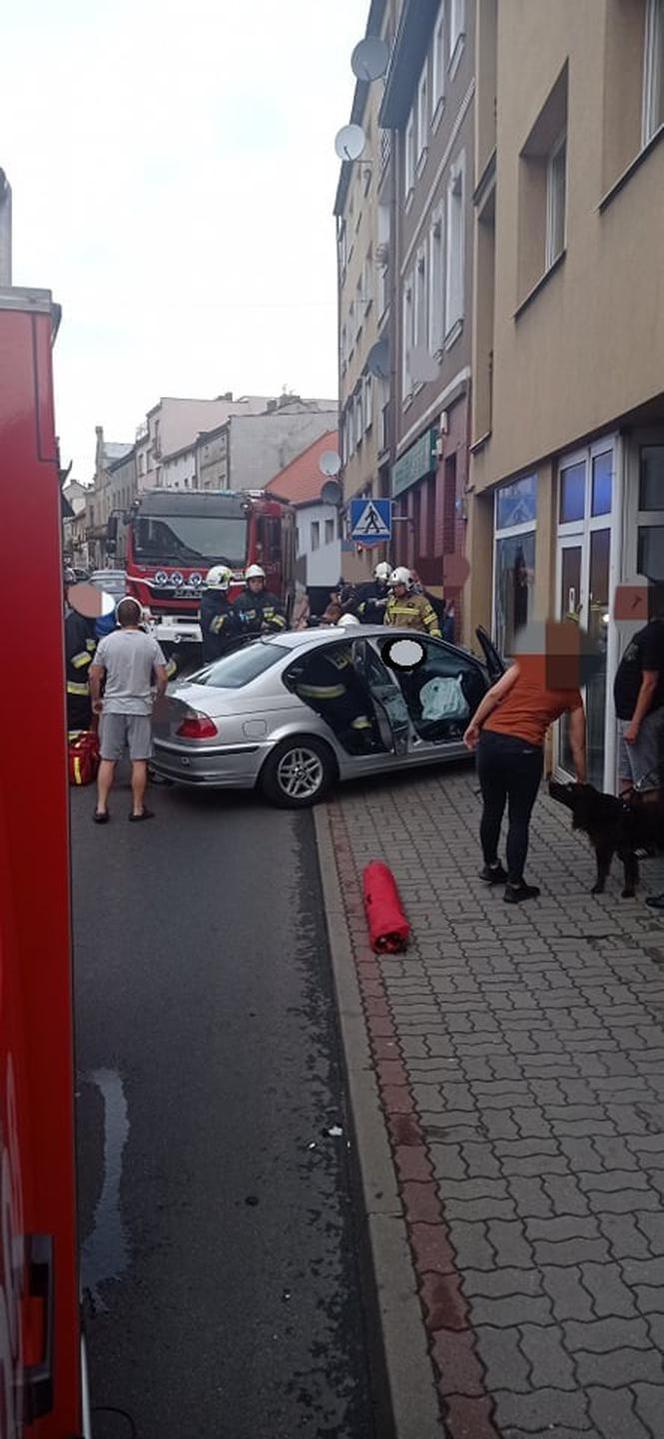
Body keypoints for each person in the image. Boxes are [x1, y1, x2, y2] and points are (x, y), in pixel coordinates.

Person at [463, 649, 587, 904]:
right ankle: (515, 885)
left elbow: (495, 693)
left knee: (492, 808)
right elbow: (578, 744)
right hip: (524, 750)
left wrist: (474, 724)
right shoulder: (571, 692)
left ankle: (491, 866)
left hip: (491, 742)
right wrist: (582, 779)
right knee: (519, 818)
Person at [89, 597, 168, 824]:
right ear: (140, 617)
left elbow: (94, 675)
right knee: (139, 760)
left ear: (117, 619)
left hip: (113, 706)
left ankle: (102, 807)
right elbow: (162, 677)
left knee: (108, 758)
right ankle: (137, 809)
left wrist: (97, 699)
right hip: (140, 708)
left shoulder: (106, 643)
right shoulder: (150, 643)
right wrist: (157, 697)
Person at [613, 597, 664, 797]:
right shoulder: (648, 633)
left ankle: (650, 825)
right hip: (627, 716)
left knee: (646, 782)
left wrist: (636, 723)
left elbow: (650, 683)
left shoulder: (656, 636)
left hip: (642, 720)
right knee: (626, 776)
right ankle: (625, 819)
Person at [64, 608, 98, 735]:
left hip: (84, 689)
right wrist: (94, 664)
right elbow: (75, 657)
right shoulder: (74, 623)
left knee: (83, 727)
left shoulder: (86, 622)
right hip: (75, 690)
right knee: (75, 730)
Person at [384, 568, 442, 637]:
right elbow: (386, 623)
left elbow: (432, 622)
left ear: (407, 584)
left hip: (415, 643)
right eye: (394, 587)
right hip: (395, 642)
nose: (396, 589)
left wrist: (434, 637)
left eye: (399, 586)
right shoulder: (392, 602)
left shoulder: (420, 602)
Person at [200, 565, 239, 663]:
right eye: (228, 582)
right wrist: (236, 619)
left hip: (224, 653)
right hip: (215, 656)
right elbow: (214, 626)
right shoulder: (209, 603)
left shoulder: (220, 601)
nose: (230, 586)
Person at [233, 564, 286, 637]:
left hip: (270, 637)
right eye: (253, 582)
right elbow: (238, 621)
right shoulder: (240, 601)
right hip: (247, 639)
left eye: (259, 582)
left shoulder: (272, 599)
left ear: (263, 583)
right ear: (248, 583)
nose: (256, 584)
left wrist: (270, 625)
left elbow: (281, 617)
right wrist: (257, 625)